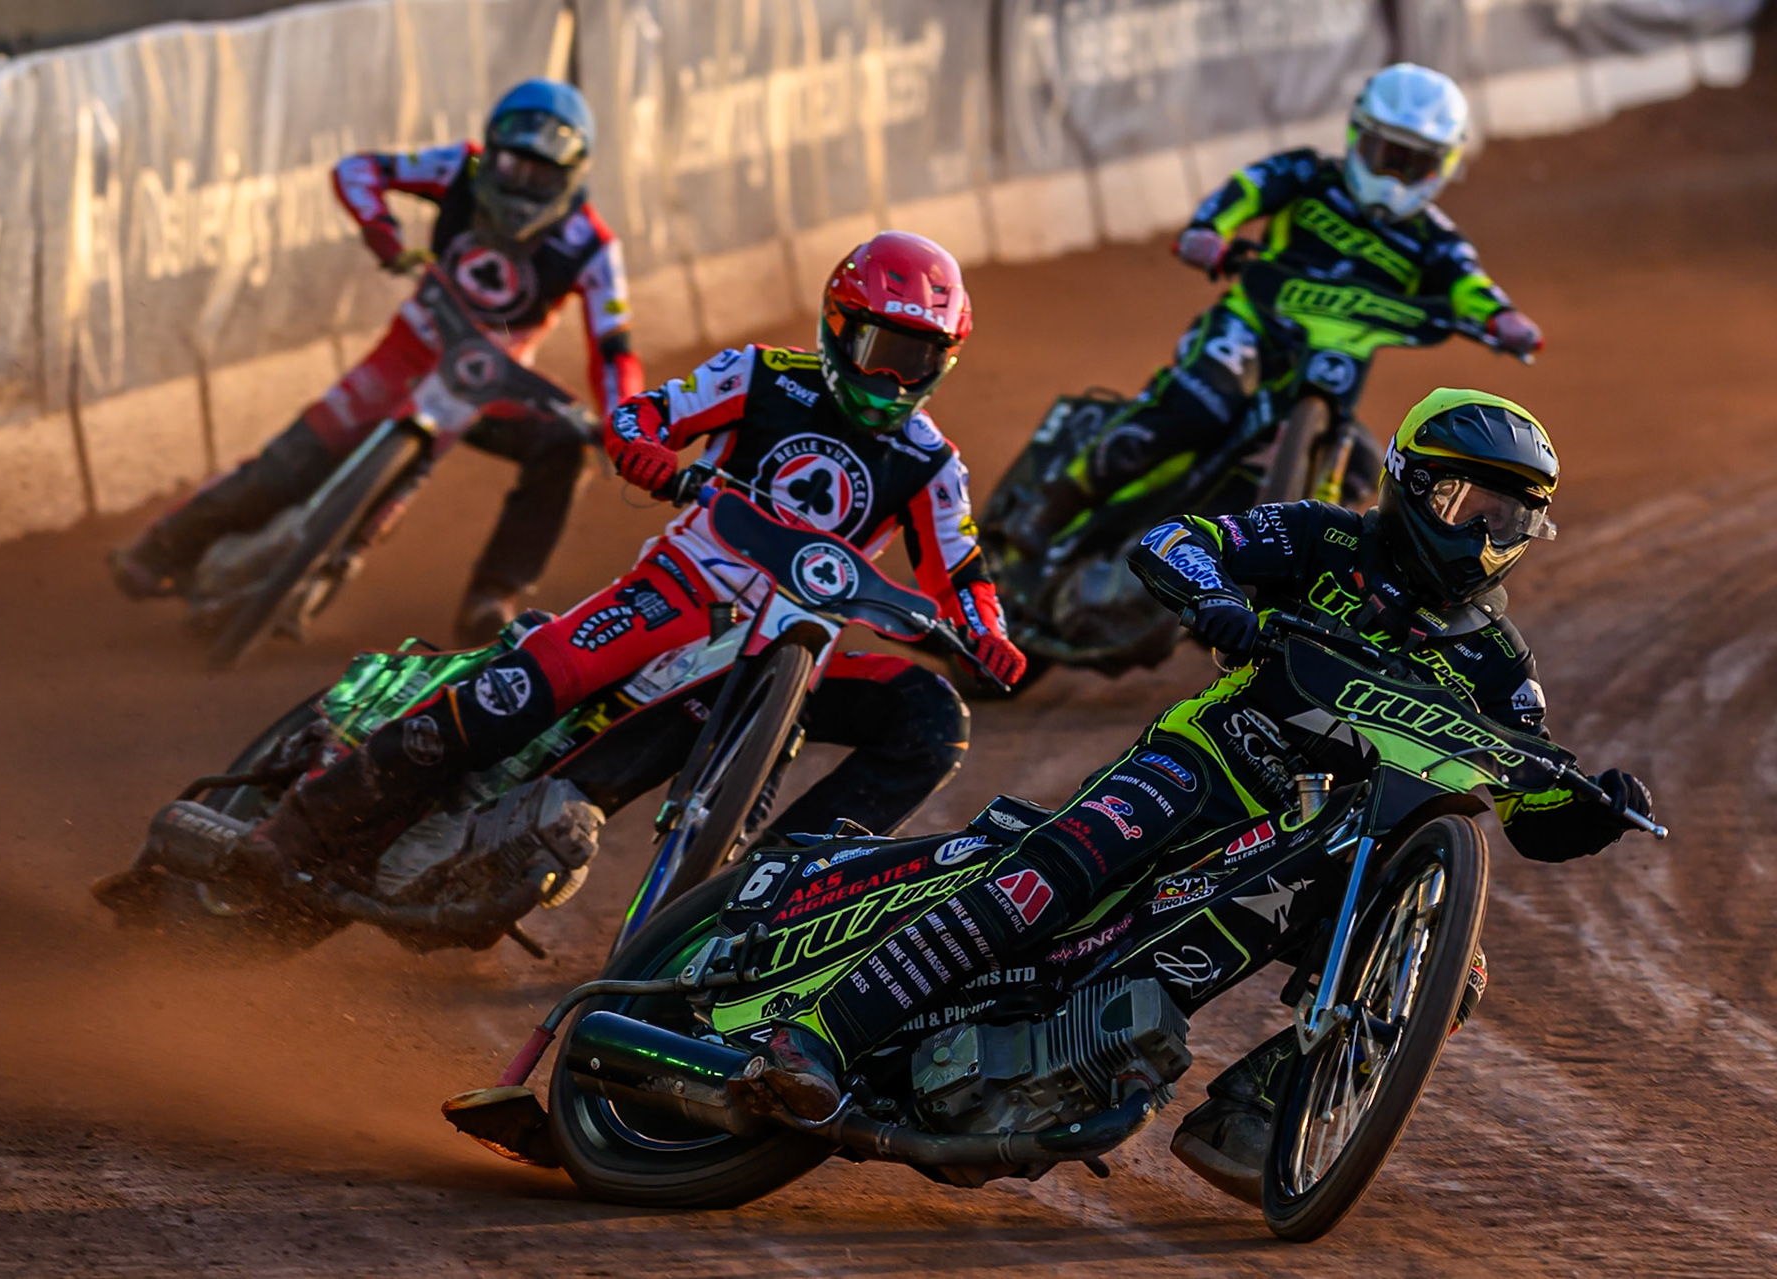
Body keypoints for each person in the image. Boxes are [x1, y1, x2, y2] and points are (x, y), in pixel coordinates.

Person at [735, 388, 1655, 1202]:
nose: (1485, 536)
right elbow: (1177, 539)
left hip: (1327, 837)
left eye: (1510, 518)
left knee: (1447, 967)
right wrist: (1216, 599)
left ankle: (1256, 1111)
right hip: (1207, 761)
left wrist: (1593, 806)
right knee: (1058, 870)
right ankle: (816, 1034)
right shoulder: (1328, 536)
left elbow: (1531, 799)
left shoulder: (1500, 663)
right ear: (1409, 484)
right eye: (1467, 504)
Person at [229, 231, 1027, 904]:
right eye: (882, 351)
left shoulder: (932, 464)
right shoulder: (759, 374)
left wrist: (987, 633)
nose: (892, 379)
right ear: (839, 327)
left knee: (931, 718)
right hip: (679, 593)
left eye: (917, 360)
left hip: (788, 657)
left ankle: (761, 909)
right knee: (519, 691)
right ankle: (297, 825)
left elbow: (964, 573)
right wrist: (645, 451)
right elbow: (645, 414)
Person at [108, 78, 644, 647]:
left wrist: (625, 424)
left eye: (541, 175)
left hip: (490, 383)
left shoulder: (593, 245)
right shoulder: (459, 166)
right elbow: (357, 170)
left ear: (572, 175)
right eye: (512, 166)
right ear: (490, 152)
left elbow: (615, 348)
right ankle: (163, 547)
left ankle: (492, 597)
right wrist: (382, 233)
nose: (521, 186)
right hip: (410, 351)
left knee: (565, 445)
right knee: (291, 463)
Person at [1009, 62, 1545, 553]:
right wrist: (1207, 231)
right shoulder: (1306, 173)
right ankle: (1052, 505)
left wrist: (1504, 319)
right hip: (1251, 327)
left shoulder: (1435, 239)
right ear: (1358, 136)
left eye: (1414, 164)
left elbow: (1469, 284)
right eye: (1388, 154)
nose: (1393, 176)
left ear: (1443, 166)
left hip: (1333, 362)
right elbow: (1244, 191)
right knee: (1194, 409)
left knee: (1365, 468)